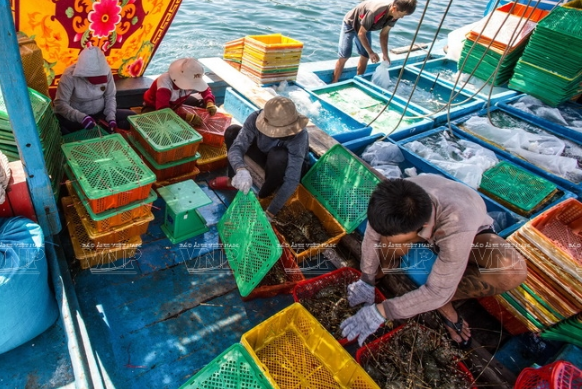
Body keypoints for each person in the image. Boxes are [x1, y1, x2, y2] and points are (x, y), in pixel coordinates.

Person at [340, 175, 527, 347]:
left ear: (423, 228)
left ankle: (446, 302)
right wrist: (366, 278)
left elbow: (437, 290)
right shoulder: (391, 203)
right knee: (388, 241)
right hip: (422, 225)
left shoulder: (458, 225)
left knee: (511, 271)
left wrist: (381, 311)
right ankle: (387, 268)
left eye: (406, 238)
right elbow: (372, 237)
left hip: (468, 234)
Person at [213, 96, 310, 218]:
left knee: (279, 156)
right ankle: (232, 181)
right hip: (264, 154)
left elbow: (292, 179)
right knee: (232, 131)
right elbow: (237, 148)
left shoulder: (299, 136)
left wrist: (271, 212)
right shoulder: (255, 118)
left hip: (284, 163)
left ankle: (264, 195)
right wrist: (240, 169)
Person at [332, 0, 417, 83]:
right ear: (394, 8)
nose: (402, 17)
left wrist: (385, 54)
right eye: (401, 14)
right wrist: (371, 52)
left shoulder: (394, 16)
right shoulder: (375, 11)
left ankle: (358, 80)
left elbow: (384, 34)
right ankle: (334, 81)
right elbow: (361, 34)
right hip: (351, 23)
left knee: (365, 55)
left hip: (366, 26)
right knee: (345, 55)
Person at [53, 46, 135, 134]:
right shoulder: (69, 75)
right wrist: (82, 118)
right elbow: (60, 104)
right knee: (59, 127)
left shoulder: (106, 71)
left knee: (132, 117)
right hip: (78, 118)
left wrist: (111, 118)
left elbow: (110, 96)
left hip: (101, 114)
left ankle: (108, 129)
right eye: (94, 78)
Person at [142, 58, 216, 126]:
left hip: (177, 103)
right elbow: (163, 110)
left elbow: (205, 89)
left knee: (199, 103)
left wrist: (209, 102)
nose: (192, 87)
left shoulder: (192, 77)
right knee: (160, 125)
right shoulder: (164, 82)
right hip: (153, 107)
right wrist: (186, 117)